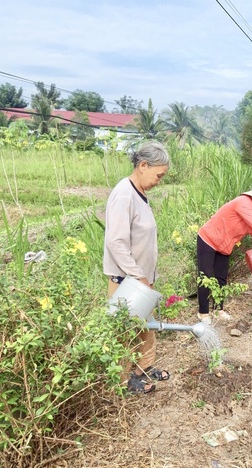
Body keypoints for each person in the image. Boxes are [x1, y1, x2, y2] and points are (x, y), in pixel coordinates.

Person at [103, 141, 170, 395]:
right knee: (125, 334)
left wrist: (147, 276)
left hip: (140, 280)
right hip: (126, 281)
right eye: (158, 175)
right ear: (143, 166)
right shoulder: (124, 194)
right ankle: (123, 382)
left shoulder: (139, 194)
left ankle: (144, 369)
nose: (159, 181)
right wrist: (138, 275)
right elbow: (116, 242)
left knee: (146, 329)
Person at [197, 186, 252, 324]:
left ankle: (218, 310)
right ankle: (203, 313)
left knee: (221, 278)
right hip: (208, 239)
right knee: (205, 276)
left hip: (224, 246)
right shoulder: (243, 202)